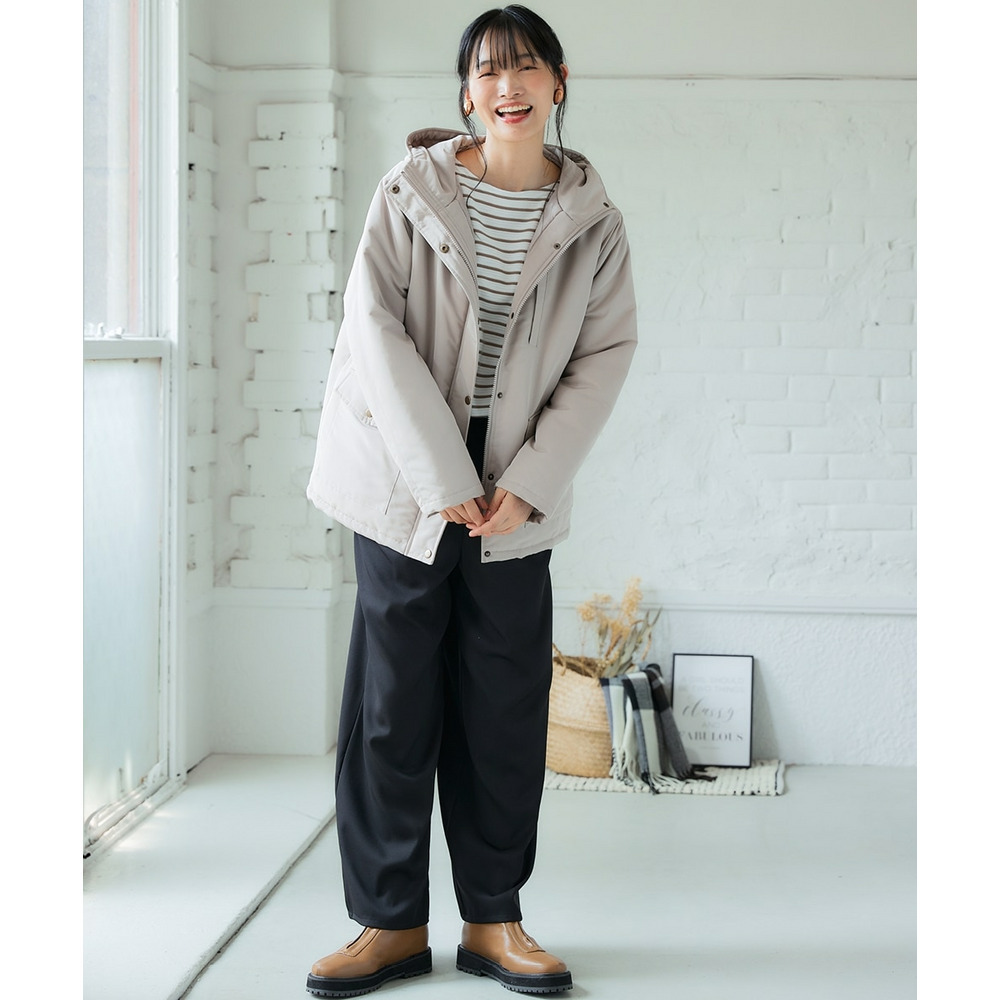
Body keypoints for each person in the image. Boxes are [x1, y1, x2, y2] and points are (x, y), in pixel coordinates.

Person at [304, 5, 637, 996]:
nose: (508, 86)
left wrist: (526, 484)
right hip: (402, 481)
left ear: (559, 82)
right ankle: (387, 923)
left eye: (527, 66)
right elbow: (374, 335)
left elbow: (603, 356)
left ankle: (495, 919)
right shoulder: (408, 192)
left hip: (516, 493)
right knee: (391, 706)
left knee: (502, 708)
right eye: (489, 70)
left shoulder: (595, 222)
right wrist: (443, 480)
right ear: (465, 94)